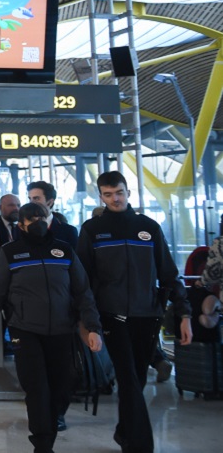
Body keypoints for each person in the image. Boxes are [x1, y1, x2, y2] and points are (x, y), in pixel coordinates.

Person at [77, 171, 191, 453]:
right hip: (110, 316)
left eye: (119, 193)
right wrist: (89, 322)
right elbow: (83, 280)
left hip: (147, 315)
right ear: (100, 196)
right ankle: (140, 446)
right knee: (127, 377)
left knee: (137, 379)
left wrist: (184, 313)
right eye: (108, 194)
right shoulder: (92, 230)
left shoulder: (148, 227)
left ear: (128, 192)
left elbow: (168, 272)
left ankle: (124, 432)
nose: (114, 198)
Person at [0, 203, 103, 453]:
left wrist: (93, 326)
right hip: (25, 330)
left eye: (41, 217)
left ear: (49, 218)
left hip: (62, 330)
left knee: (61, 387)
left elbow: (82, 291)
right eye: (31, 219)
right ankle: (43, 445)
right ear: (21, 225)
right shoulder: (11, 253)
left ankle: (50, 432)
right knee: (36, 389)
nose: (38, 222)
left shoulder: (64, 250)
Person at [27, 181, 78, 251]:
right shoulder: (23, 228)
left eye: (36, 198)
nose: (31, 203)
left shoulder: (68, 231)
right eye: (30, 198)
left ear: (50, 202)